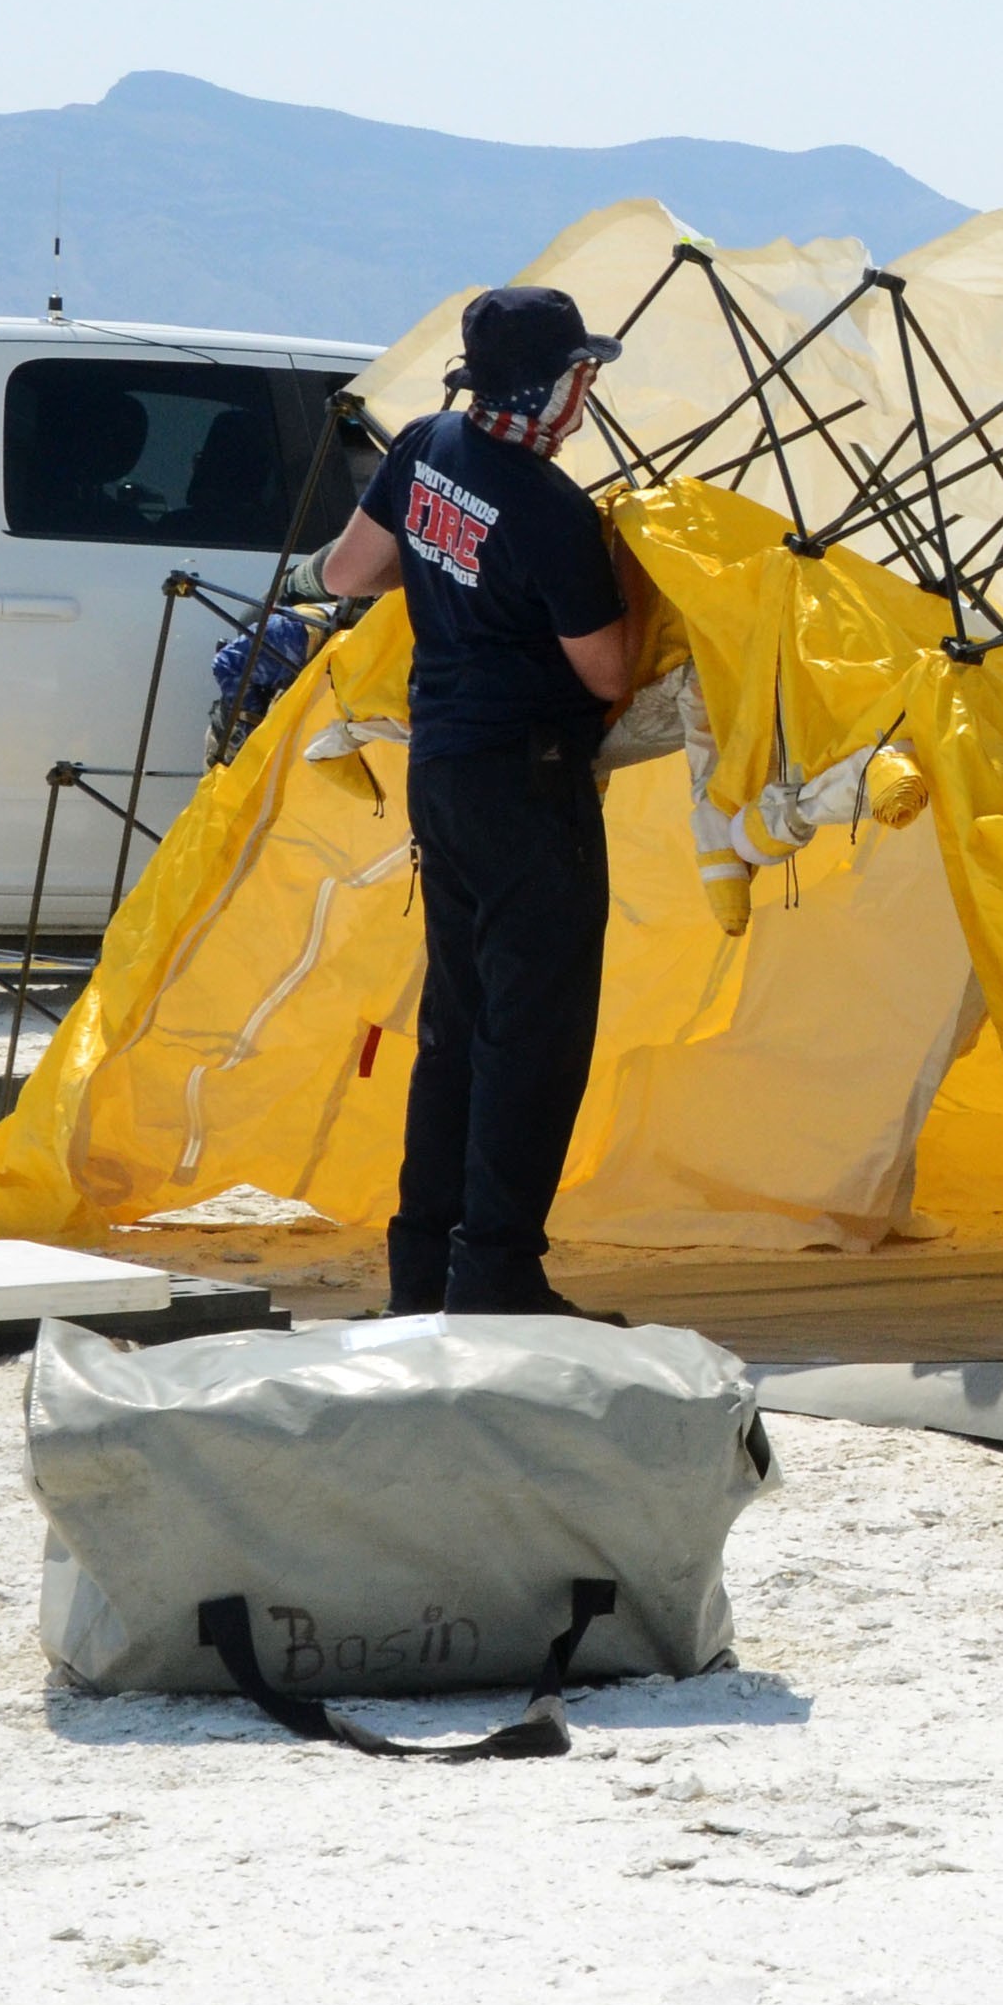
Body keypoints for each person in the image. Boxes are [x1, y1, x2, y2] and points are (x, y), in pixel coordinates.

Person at [313, 285, 636, 1316]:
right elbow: (607, 675)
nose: (586, 394)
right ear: (553, 388)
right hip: (528, 784)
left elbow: (346, 571)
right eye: (581, 375)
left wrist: (451, 570)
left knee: (456, 1025)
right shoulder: (552, 512)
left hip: (440, 770)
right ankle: (496, 1272)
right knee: (532, 1037)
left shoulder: (423, 445)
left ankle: (424, 1270)